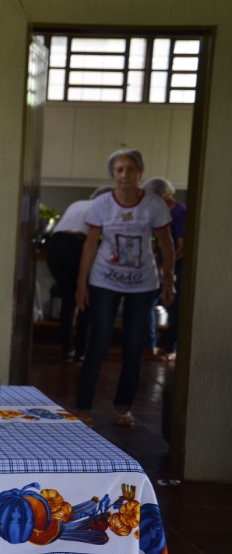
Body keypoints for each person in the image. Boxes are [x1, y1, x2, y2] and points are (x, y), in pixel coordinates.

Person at [75, 149, 174, 428]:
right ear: (112, 175)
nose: (124, 175)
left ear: (140, 173)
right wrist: (81, 285)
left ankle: (123, 407)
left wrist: (169, 279)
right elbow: (90, 244)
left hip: (143, 284)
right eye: (119, 170)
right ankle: (83, 406)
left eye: (130, 169)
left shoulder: (154, 204)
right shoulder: (102, 204)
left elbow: (166, 243)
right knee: (99, 343)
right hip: (104, 280)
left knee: (134, 346)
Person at [46, 185, 113, 363]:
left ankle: (67, 350)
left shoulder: (78, 203)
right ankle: (81, 352)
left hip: (55, 246)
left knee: (68, 299)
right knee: (85, 299)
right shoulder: (104, 207)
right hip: (77, 245)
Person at [143, 176, 186, 362]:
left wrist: (167, 266)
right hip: (158, 265)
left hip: (177, 265)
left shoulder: (180, 212)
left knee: (174, 307)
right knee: (147, 303)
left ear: (165, 195)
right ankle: (150, 346)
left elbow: (182, 247)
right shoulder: (156, 212)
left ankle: (171, 348)